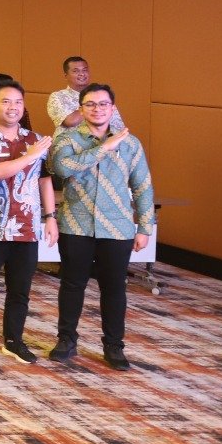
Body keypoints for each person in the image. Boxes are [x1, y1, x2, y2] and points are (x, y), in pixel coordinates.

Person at [47, 83, 155, 370]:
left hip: (117, 228)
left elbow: (142, 187)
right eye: (91, 104)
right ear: (81, 109)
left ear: (112, 108)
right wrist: (104, 148)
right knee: (72, 285)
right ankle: (66, 340)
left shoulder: (130, 144)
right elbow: (62, 168)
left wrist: (145, 227)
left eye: (103, 104)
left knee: (114, 288)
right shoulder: (67, 139)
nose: (97, 109)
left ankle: (114, 346)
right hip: (75, 225)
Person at [0, 79, 55, 365]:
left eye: (18, 102)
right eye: (5, 101)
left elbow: (45, 181)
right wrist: (30, 156)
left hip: (27, 227)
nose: (12, 107)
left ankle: (14, 341)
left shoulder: (35, 139)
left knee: (20, 290)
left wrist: (50, 218)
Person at [47, 56, 126, 134]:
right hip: (70, 142)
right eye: (76, 71)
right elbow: (70, 121)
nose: (82, 74)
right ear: (66, 76)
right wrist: (91, 104)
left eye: (85, 70)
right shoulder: (57, 97)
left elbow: (119, 126)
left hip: (105, 140)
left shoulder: (102, 95)